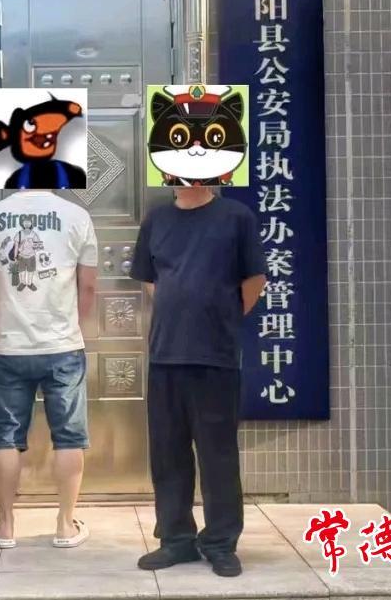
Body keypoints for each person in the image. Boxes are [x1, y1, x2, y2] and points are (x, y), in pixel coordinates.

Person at [130, 185, 266, 577]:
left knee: (217, 455)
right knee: (168, 454)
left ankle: (220, 543)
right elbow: (150, 279)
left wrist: (219, 315)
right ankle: (176, 540)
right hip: (165, 355)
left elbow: (254, 281)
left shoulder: (235, 217)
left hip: (216, 356)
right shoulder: (157, 218)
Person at [0, 190, 98, 550]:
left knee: (7, 437)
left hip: (10, 346)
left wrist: (5, 317)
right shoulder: (77, 216)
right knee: (69, 437)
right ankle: (65, 525)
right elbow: (88, 285)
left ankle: (5, 526)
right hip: (63, 346)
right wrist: (72, 327)